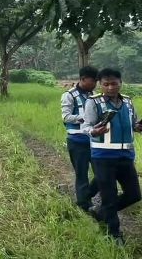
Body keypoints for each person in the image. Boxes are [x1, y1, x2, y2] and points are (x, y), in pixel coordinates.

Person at [82, 68, 142, 243]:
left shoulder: (129, 102)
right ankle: (114, 233)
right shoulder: (93, 102)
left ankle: (101, 212)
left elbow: (132, 125)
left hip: (126, 156)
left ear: (120, 83)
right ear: (100, 85)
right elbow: (86, 127)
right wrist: (94, 130)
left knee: (134, 195)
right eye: (105, 84)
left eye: (114, 83)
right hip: (103, 157)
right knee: (109, 195)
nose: (110, 88)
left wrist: (138, 127)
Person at [61, 66, 99, 211]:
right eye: (93, 80)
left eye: (96, 81)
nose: (95, 84)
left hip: (94, 140)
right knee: (81, 174)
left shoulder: (94, 95)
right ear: (83, 79)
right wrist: (85, 118)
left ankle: (85, 197)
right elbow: (66, 117)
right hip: (77, 141)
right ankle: (84, 205)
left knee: (101, 173)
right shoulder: (69, 95)